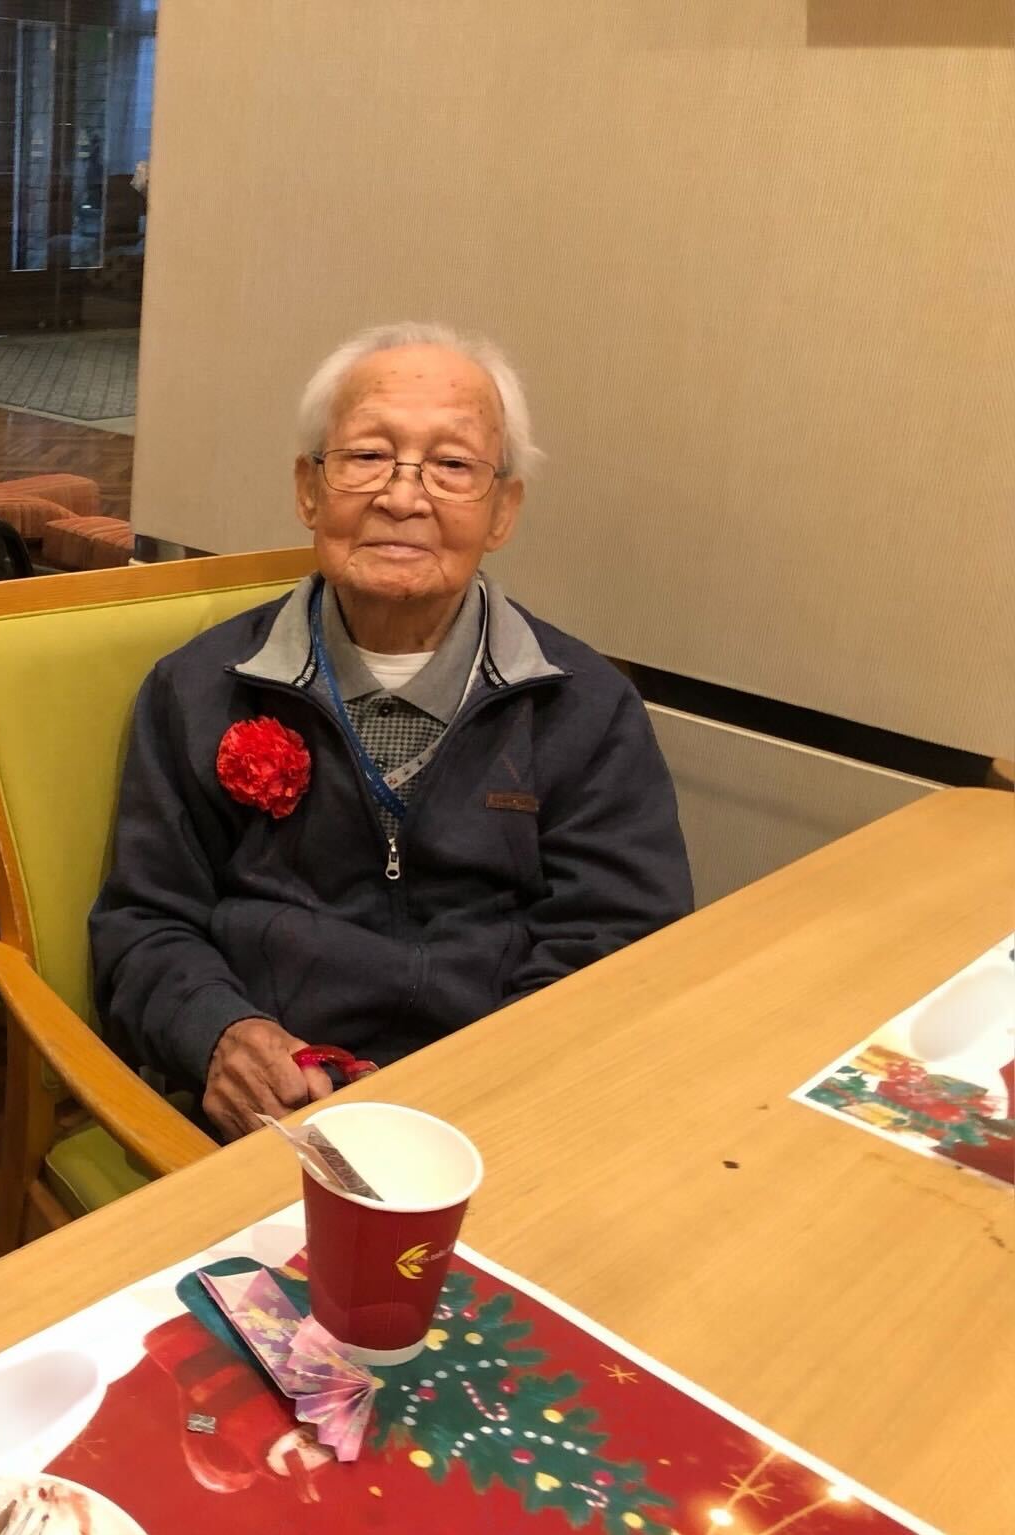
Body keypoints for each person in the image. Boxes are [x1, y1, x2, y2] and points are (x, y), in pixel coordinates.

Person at [90, 322, 692, 1140]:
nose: (403, 499)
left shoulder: (585, 709)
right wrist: (219, 1036)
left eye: (452, 465)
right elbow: (142, 923)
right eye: (368, 455)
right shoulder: (196, 689)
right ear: (309, 489)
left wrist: (483, 1088)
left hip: (502, 1114)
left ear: (503, 510)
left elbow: (621, 940)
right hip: (274, 1122)